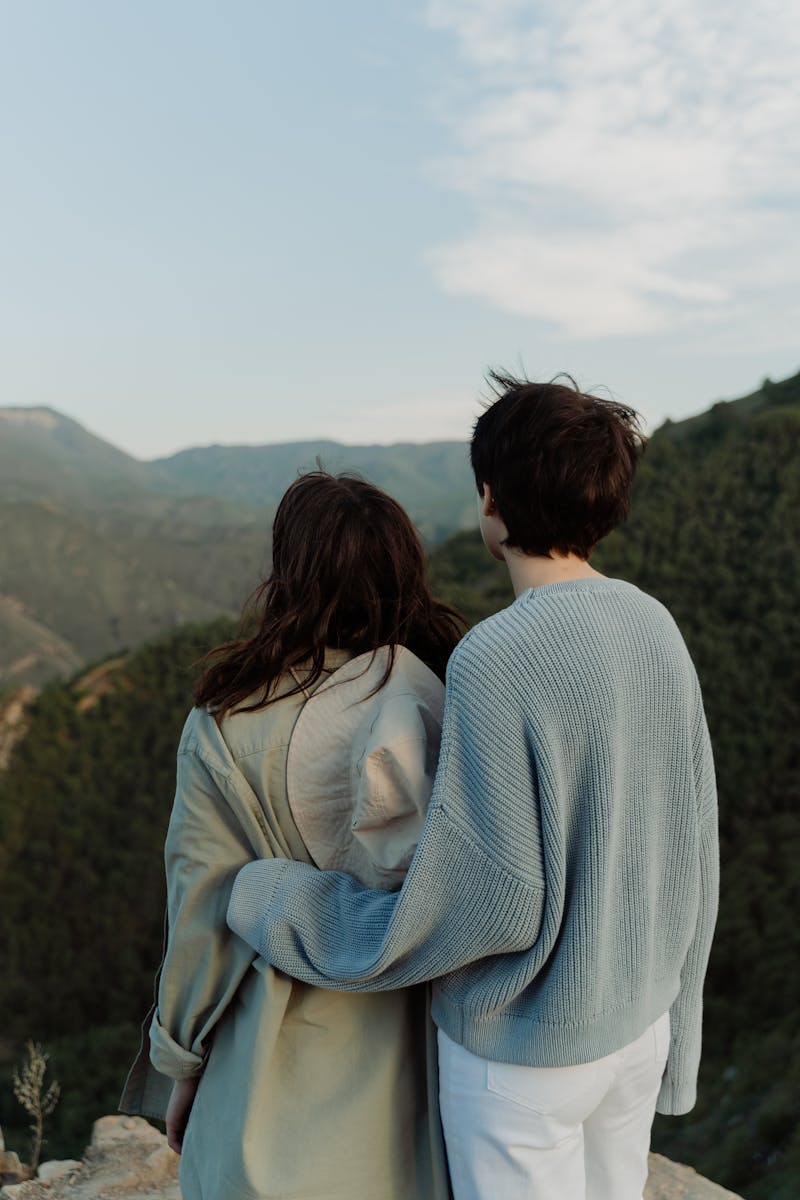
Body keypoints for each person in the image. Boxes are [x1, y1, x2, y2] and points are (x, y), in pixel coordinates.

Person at [227, 372, 720, 1200]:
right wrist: (681, 1038)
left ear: (492, 502)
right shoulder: (654, 623)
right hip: (638, 1027)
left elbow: (485, 899)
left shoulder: (495, 659)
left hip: (526, 1059)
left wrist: (280, 901)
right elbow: (693, 845)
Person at [120, 471, 462, 1200]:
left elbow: (202, 918)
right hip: (421, 1066)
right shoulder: (451, 696)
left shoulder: (226, 725)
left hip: (269, 1071)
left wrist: (178, 1066)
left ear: (288, 575)